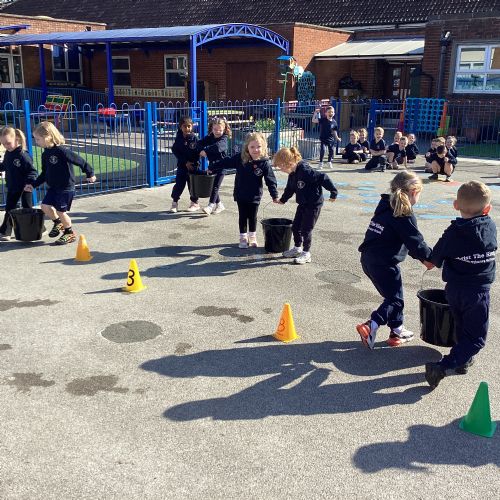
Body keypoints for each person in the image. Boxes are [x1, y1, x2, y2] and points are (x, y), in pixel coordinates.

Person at [425, 181, 497, 388]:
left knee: (462, 325)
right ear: (488, 209)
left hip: (455, 290)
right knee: (476, 338)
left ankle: (463, 360)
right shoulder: (490, 226)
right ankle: (443, 365)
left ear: (456, 205)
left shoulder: (453, 233)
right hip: (477, 292)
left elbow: (434, 259)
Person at [356, 171, 432, 348]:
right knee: (395, 300)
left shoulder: (385, 205)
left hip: (368, 258)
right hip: (384, 263)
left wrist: (422, 257)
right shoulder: (403, 213)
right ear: (414, 192)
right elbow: (415, 241)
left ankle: (397, 330)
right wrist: (429, 258)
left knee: (393, 296)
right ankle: (371, 324)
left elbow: (404, 238)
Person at [24, 121, 96, 245]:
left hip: (66, 187)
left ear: (48, 137)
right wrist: (33, 184)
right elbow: (44, 173)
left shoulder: (62, 151)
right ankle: (58, 223)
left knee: (60, 211)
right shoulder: (45, 154)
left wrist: (90, 173)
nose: (36, 142)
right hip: (54, 187)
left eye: (38, 139)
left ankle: (69, 233)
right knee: (45, 206)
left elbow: (80, 161)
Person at [274, 146, 337, 265]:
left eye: (281, 166)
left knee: (306, 230)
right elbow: (290, 189)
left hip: (313, 204)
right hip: (303, 204)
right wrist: (282, 200)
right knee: (295, 227)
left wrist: (333, 191)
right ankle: (297, 248)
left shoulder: (305, 170)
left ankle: (306, 253)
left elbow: (322, 177)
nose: (280, 169)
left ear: (289, 163)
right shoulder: (292, 174)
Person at [220, 132, 278, 248]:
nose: (255, 150)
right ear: (247, 147)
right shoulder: (240, 158)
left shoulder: (264, 163)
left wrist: (274, 195)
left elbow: (270, 180)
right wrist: (212, 167)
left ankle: (252, 237)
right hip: (241, 194)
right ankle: (243, 237)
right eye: (252, 147)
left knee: (252, 217)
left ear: (263, 147)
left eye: (258, 147)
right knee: (242, 216)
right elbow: (225, 162)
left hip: (255, 196)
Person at [0, 127, 37, 241]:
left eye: (8, 143)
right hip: (13, 186)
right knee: (11, 208)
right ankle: (5, 232)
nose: (6, 146)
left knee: (26, 209)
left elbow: (32, 171)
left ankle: (35, 229)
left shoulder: (23, 155)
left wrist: (29, 183)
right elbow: (5, 166)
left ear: (17, 139)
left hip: (25, 187)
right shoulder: (8, 153)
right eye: (3, 144)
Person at [197, 117, 230, 215]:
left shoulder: (224, 139)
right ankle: (219, 205)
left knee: (215, 186)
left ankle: (210, 206)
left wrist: (206, 151)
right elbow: (199, 143)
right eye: (215, 129)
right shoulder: (210, 137)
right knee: (212, 186)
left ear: (224, 129)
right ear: (211, 128)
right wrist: (200, 150)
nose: (217, 132)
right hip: (212, 165)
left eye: (220, 130)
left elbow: (218, 147)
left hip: (221, 165)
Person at [170, 117, 200, 213]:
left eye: (189, 126)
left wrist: (193, 163)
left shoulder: (194, 138)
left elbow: (198, 152)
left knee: (193, 185)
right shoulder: (179, 138)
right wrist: (185, 162)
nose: (187, 129)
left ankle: (194, 203)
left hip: (193, 166)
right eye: (184, 126)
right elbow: (175, 150)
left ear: (192, 126)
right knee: (179, 184)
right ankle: (174, 203)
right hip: (182, 166)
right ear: (180, 127)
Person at [312, 105, 340, 170]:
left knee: (331, 151)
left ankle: (329, 162)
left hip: (331, 140)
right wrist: (315, 113)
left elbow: (334, 131)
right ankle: (320, 163)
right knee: (323, 150)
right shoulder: (323, 120)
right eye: (329, 112)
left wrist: (337, 137)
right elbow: (313, 120)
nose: (331, 113)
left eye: (332, 112)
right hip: (323, 139)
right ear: (326, 113)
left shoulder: (334, 122)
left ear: (334, 113)